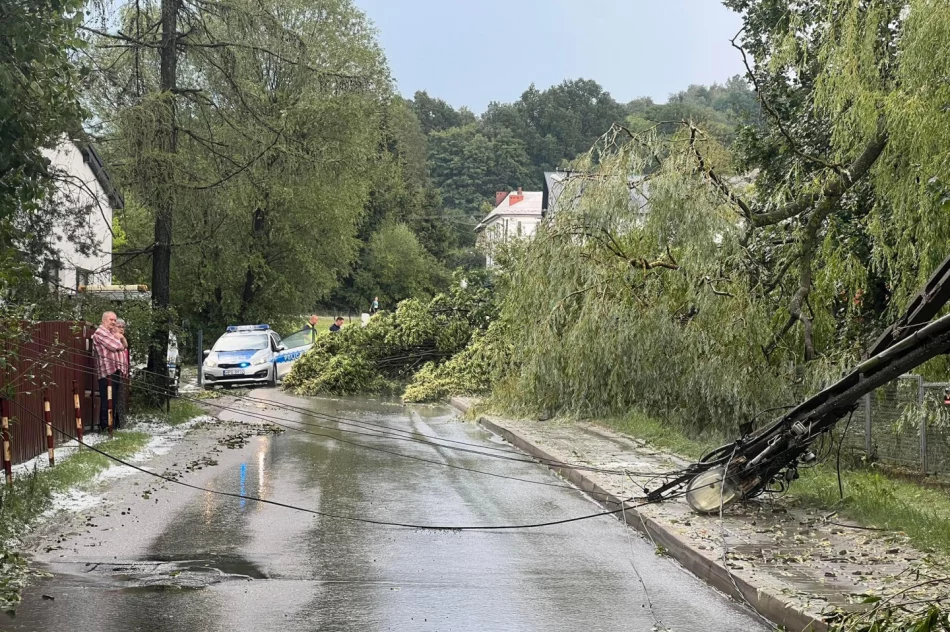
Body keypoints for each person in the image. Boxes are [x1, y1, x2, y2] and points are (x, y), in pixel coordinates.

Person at [92, 311, 127, 431]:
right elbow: (116, 346)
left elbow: (124, 345)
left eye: (114, 320)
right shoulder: (100, 333)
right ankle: (105, 426)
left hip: (115, 370)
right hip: (107, 371)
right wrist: (120, 340)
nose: (113, 322)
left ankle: (112, 425)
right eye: (111, 320)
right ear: (104, 320)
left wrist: (121, 338)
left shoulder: (110, 333)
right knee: (107, 399)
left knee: (113, 399)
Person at [114, 319, 130, 429]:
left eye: (123, 327)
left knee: (121, 398)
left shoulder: (121, 340)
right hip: (115, 371)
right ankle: (115, 423)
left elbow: (126, 347)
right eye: (119, 327)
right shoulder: (113, 340)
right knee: (115, 398)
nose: (121, 329)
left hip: (122, 372)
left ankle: (120, 423)